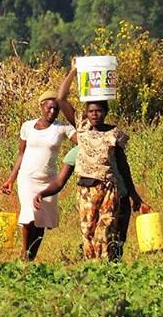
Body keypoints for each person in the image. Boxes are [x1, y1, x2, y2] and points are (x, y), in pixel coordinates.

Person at [56, 64, 142, 261]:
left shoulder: (114, 134)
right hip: (86, 189)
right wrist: (73, 71)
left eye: (99, 111)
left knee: (105, 230)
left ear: (105, 113)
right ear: (86, 114)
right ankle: (92, 267)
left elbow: (123, 166)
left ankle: (106, 267)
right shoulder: (82, 128)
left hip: (109, 189)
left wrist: (133, 194)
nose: (95, 114)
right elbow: (61, 99)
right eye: (91, 111)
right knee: (88, 231)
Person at [1, 91, 76, 261]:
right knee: (29, 216)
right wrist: (11, 179)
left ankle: (31, 257)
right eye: (49, 108)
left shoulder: (63, 127)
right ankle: (25, 254)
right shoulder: (28, 126)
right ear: (41, 106)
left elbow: (84, 141)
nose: (52, 112)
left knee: (41, 221)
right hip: (27, 178)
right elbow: (21, 154)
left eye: (56, 109)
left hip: (49, 181)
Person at [35, 144, 136, 261]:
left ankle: (111, 271)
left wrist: (135, 197)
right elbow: (59, 182)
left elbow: (126, 173)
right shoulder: (77, 152)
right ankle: (96, 270)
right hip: (90, 205)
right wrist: (42, 194)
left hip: (119, 201)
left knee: (114, 242)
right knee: (91, 239)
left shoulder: (112, 147)